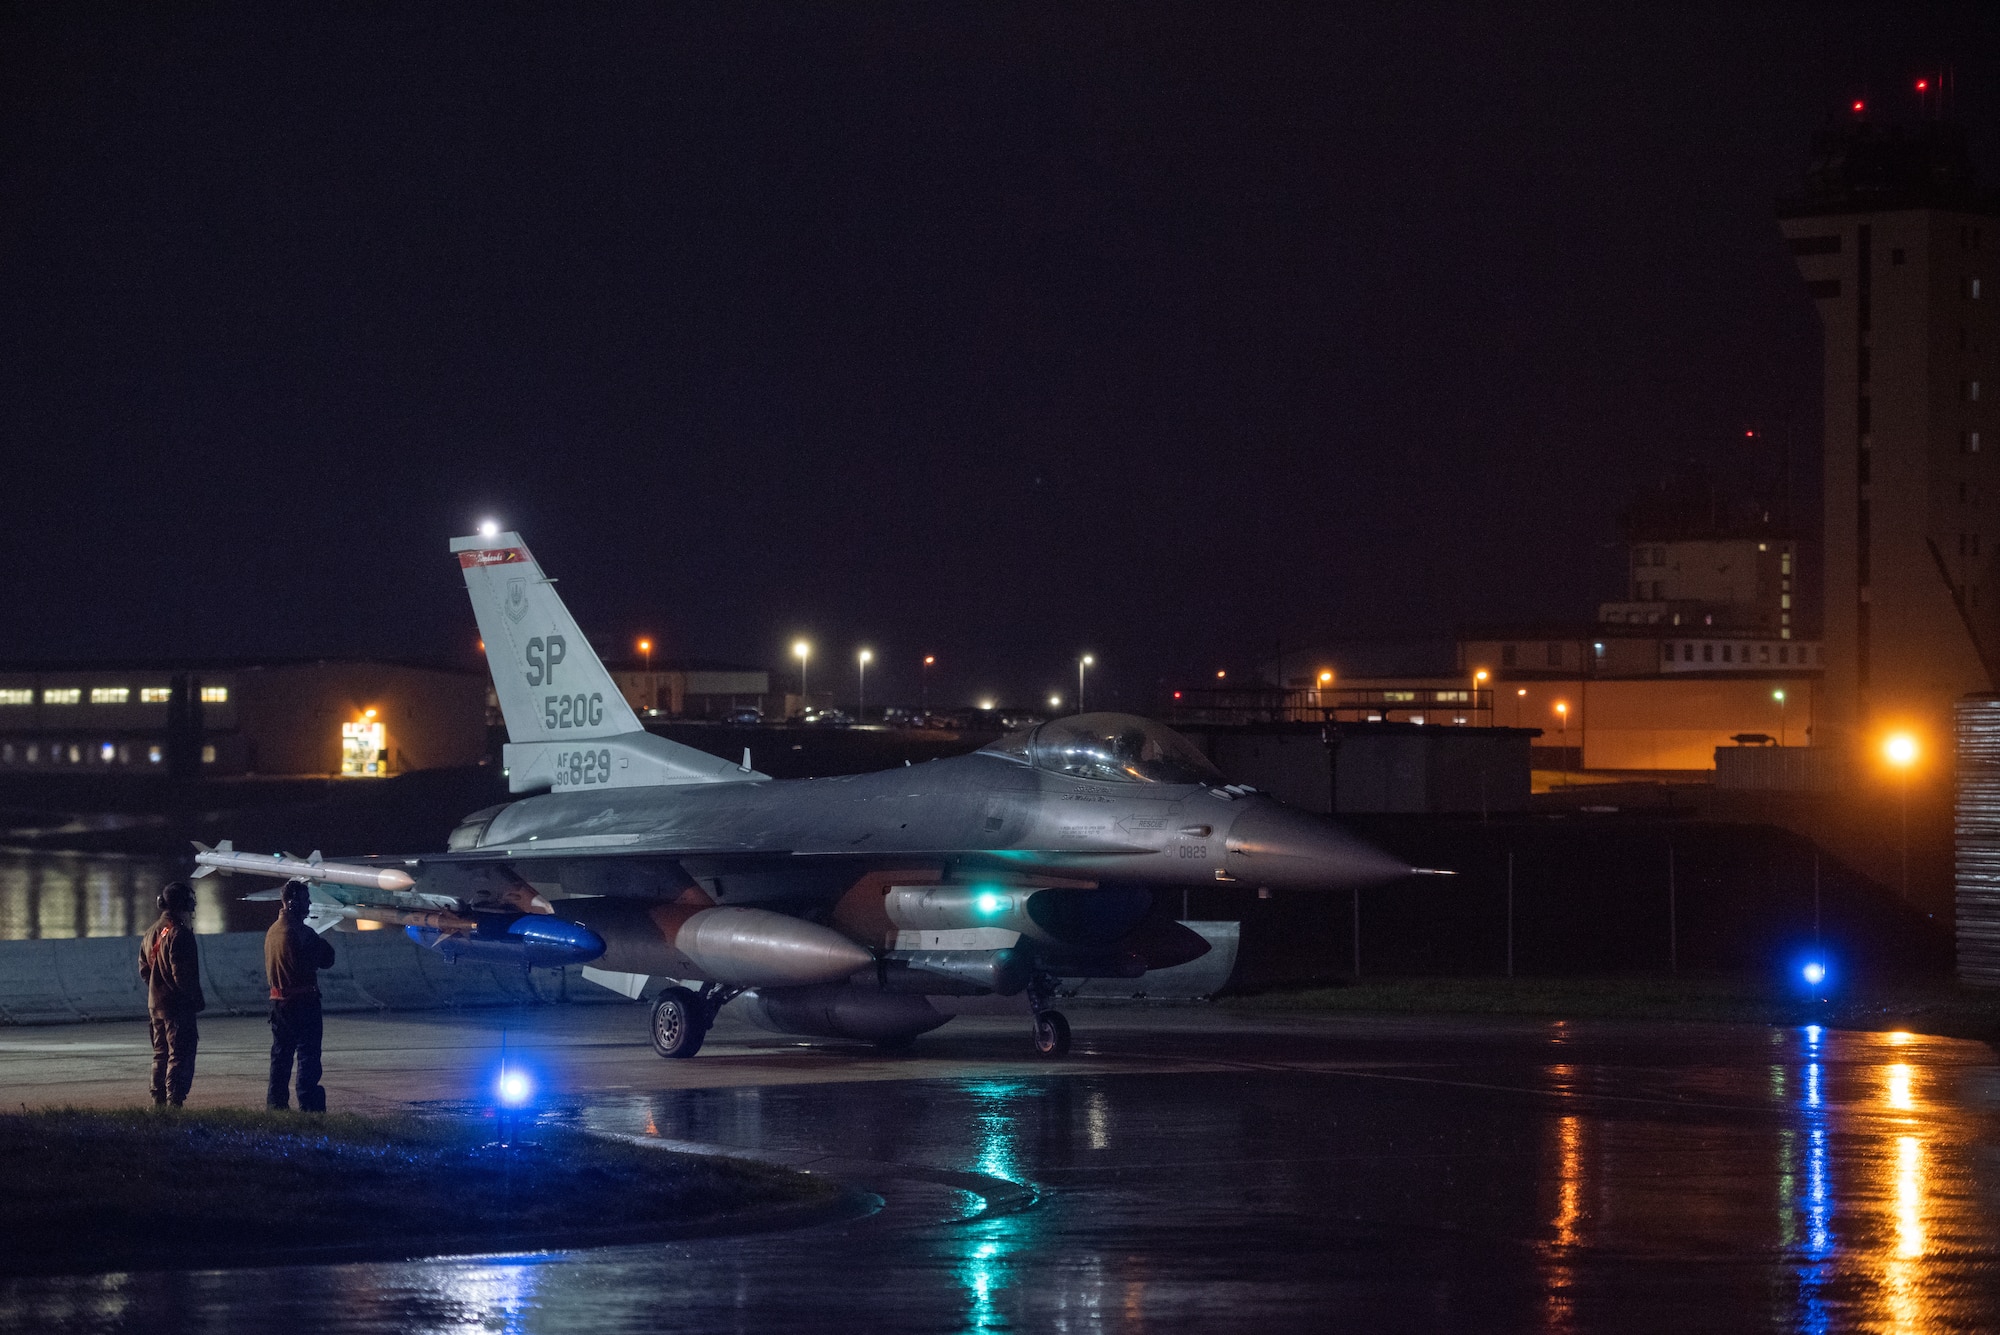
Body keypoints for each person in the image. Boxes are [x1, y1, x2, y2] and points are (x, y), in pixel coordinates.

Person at [265, 881, 336, 1112]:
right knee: (308, 1056)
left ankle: (276, 1105)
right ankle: (309, 1105)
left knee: (281, 1056)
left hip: (279, 1004)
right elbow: (327, 958)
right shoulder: (301, 933)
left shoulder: (273, 931)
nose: (309, 904)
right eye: (306, 900)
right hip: (303, 1003)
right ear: (293, 902)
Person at [138, 881, 205, 1108]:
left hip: (155, 1005)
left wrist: (158, 987)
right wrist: (192, 998)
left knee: (160, 1054)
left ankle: (158, 1102)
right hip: (177, 1008)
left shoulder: (150, 933)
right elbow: (182, 976)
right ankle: (174, 1102)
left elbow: (144, 970)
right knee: (180, 1054)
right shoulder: (180, 934)